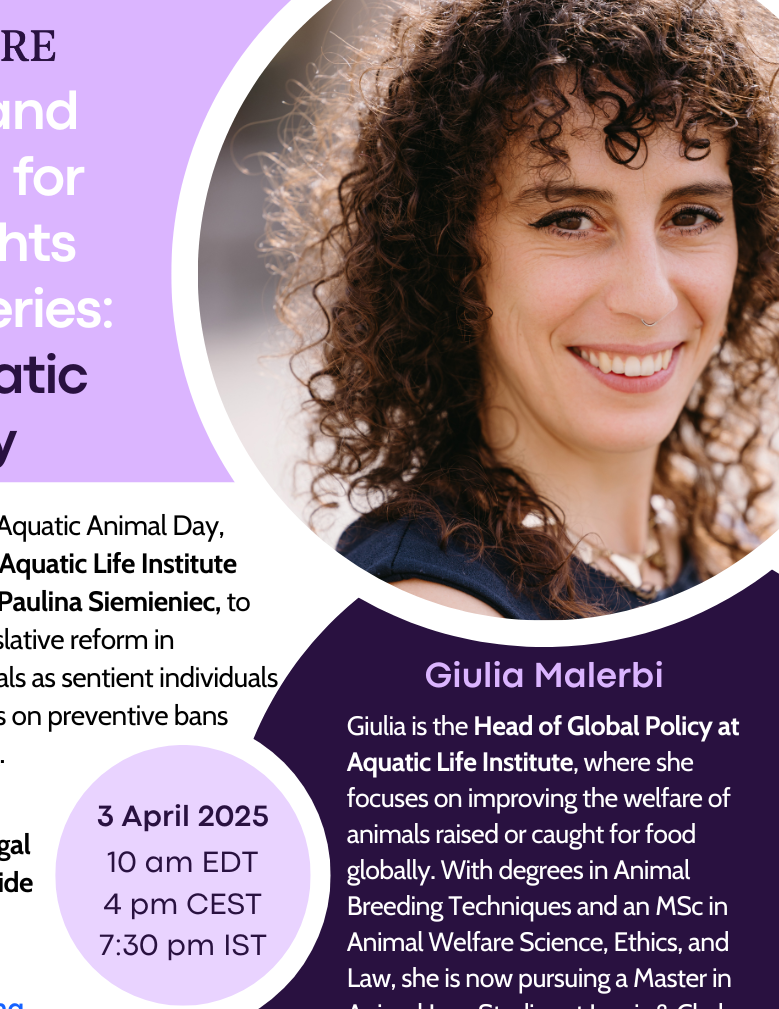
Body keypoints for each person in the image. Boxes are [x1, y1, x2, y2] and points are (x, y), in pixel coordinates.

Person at [265, 0, 779, 618]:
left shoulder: (724, 544)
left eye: (692, 216)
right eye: (569, 220)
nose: (650, 298)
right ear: (453, 257)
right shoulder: (442, 611)